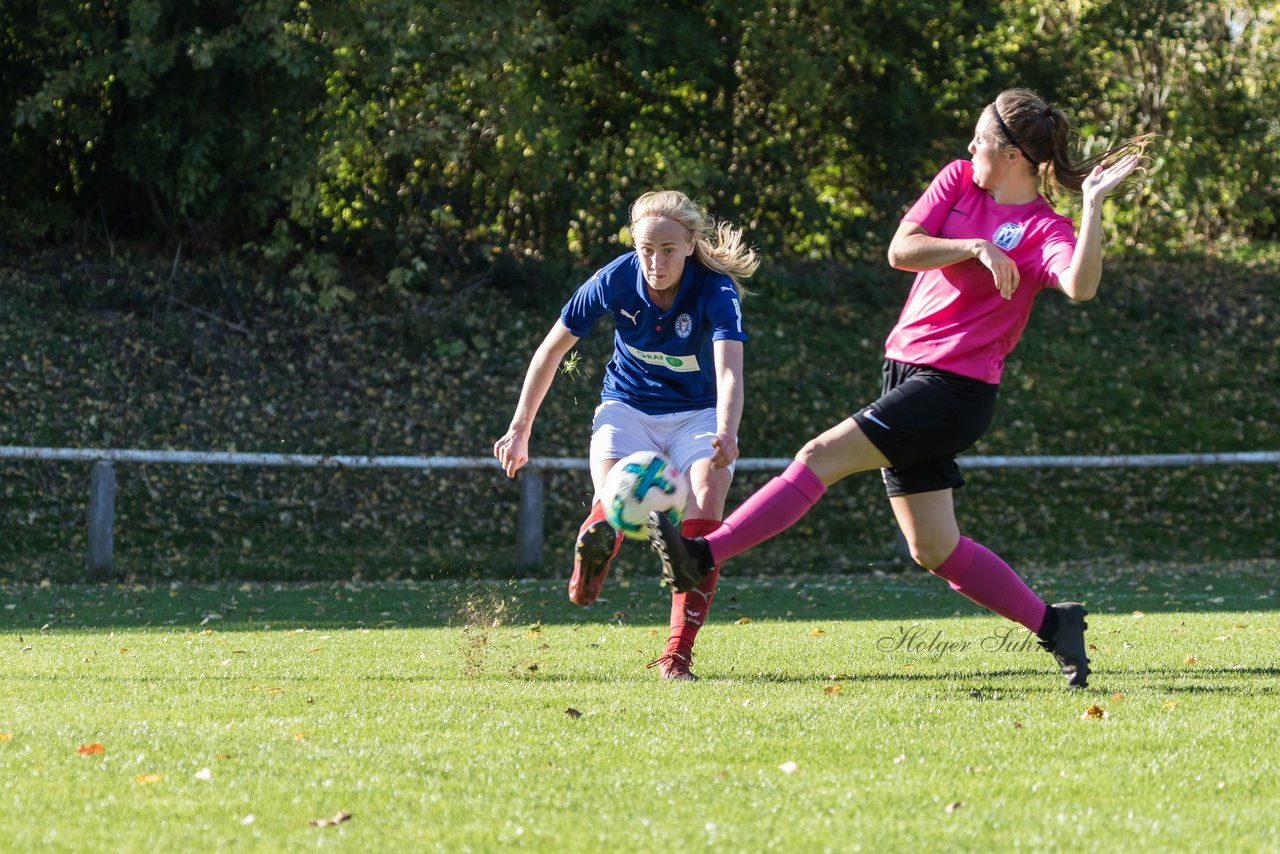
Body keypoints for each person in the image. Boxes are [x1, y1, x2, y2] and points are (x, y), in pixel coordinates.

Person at [649, 88, 1152, 689]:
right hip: (907, 374)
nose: (970, 148)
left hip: (955, 390)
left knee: (818, 457)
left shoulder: (1045, 227)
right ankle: (1055, 625)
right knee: (933, 548)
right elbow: (901, 250)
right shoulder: (960, 181)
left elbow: (1080, 285)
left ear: (1015, 155)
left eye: (983, 141)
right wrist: (975, 246)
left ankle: (702, 555)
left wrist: (1091, 206)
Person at [494, 189, 760, 680]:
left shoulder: (715, 290)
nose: (655, 262)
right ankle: (595, 549)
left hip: (697, 416)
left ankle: (677, 655)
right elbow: (550, 350)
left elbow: (729, 374)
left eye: (668, 251)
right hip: (626, 409)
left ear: (690, 245)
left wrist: (726, 431)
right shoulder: (614, 279)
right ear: (633, 247)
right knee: (613, 492)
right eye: (645, 250)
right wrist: (519, 428)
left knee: (705, 509)